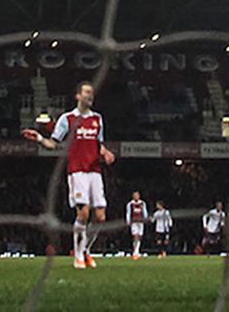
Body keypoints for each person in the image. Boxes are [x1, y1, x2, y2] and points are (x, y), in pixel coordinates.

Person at [23, 80, 115, 270]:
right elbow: (54, 143)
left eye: (92, 93)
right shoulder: (68, 119)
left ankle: (86, 249)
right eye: (87, 93)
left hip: (95, 171)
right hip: (77, 171)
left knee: (100, 217)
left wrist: (105, 152)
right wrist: (40, 138)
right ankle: (78, 255)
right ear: (78, 96)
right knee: (83, 212)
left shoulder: (97, 119)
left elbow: (99, 144)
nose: (90, 96)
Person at [126, 191, 147, 259]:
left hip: (140, 221)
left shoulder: (142, 203)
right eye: (134, 195)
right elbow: (128, 212)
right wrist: (128, 221)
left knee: (140, 236)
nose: (136, 197)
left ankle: (137, 250)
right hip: (134, 221)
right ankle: (135, 251)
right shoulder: (130, 204)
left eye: (137, 195)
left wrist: (145, 218)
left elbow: (144, 211)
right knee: (135, 235)